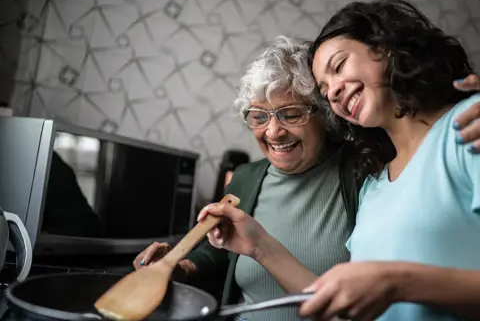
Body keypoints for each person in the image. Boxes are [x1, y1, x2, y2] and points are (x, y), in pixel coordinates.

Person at [134, 36, 480, 321]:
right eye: (259, 116)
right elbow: (223, 251)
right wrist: (181, 265)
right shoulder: (245, 177)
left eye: (291, 113)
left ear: (325, 114)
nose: (273, 130)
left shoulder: (365, 170)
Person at [297, 0, 480, 320]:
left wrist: (398, 282)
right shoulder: (372, 187)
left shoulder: (470, 125)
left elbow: (389, 287)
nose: (334, 93)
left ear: (386, 46)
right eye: (325, 92)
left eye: (339, 66)